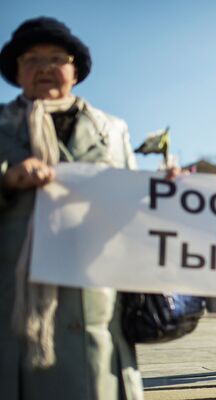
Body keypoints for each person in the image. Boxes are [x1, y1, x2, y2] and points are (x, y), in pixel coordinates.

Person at [0, 17, 143, 399]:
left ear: (75, 70)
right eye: (31, 58)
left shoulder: (114, 130)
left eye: (56, 58)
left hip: (98, 309)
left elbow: (136, 212)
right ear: (17, 71)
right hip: (14, 311)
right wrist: (7, 178)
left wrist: (169, 193)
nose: (45, 67)